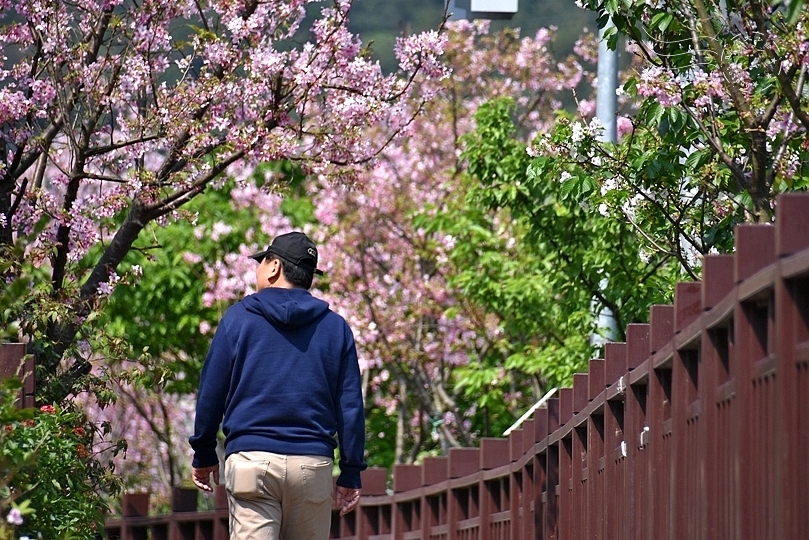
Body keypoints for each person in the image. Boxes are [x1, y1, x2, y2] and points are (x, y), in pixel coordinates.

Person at [189, 231, 366, 540]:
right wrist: (350, 471)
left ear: (273, 267)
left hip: (251, 462)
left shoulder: (238, 319)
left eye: (261, 262)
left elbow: (211, 392)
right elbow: (350, 406)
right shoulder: (336, 328)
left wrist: (204, 453)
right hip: (312, 465)